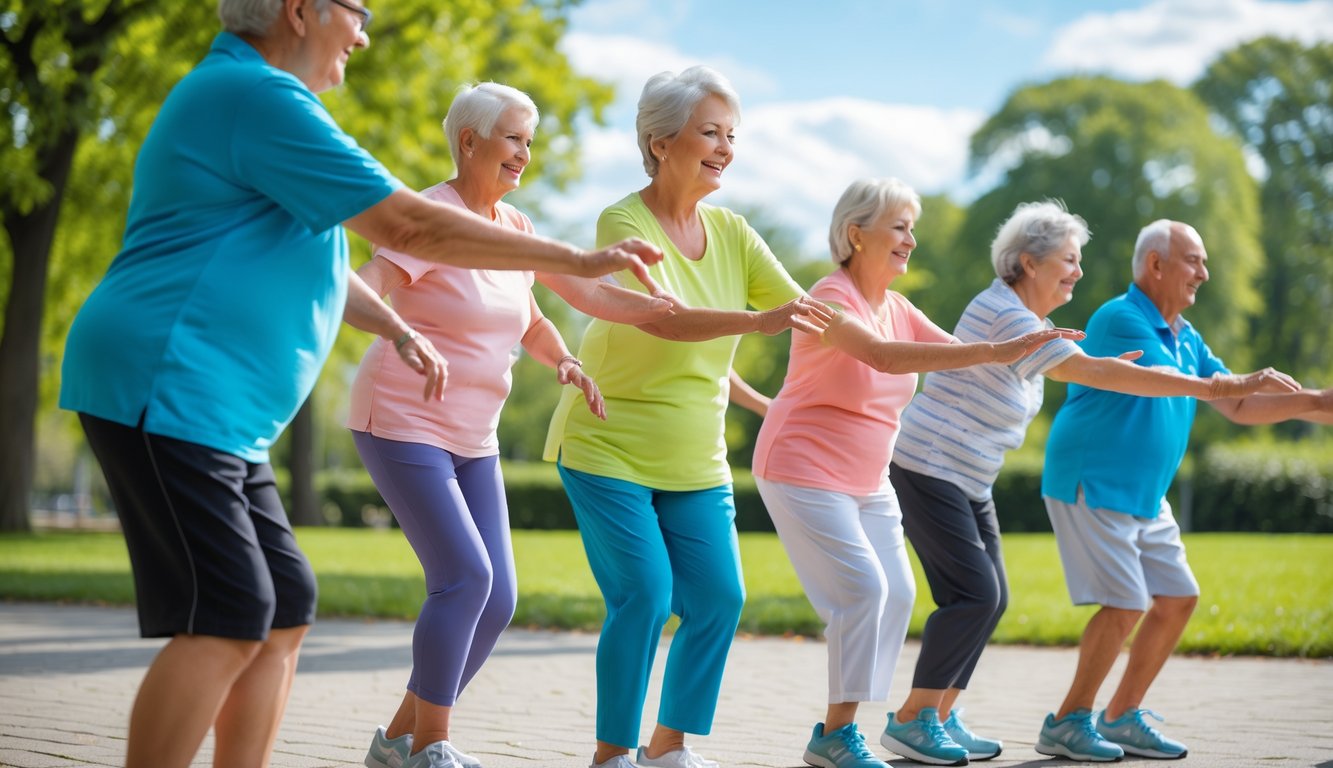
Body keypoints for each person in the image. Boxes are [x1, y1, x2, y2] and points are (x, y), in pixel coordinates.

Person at [56, 3, 661, 767]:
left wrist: (400, 328)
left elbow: (322, 263)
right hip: (165, 386)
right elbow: (404, 228)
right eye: (357, 10)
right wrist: (573, 258)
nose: (365, 32)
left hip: (217, 410)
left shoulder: (266, 103)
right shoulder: (258, 98)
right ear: (301, 10)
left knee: (282, 613)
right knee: (231, 614)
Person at [879, 203, 1303, 766]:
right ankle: (913, 718)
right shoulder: (1007, 315)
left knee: (993, 598)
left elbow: (1090, 364)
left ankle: (940, 712)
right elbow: (1089, 371)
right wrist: (1212, 389)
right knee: (974, 595)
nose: (1078, 271)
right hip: (927, 466)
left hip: (966, 478)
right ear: (1028, 263)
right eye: (1069, 260)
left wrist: (1112, 366)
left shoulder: (1031, 322)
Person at [352, 82, 674, 768]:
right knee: (464, 578)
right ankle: (432, 746)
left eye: (530, 141)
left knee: (497, 597)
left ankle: (397, 742)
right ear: (469, 141)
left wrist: (563, 360)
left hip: (474, 437)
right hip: (402, 422)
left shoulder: (516, 227)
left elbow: (527, 317)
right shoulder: (431, 218)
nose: (525, 154)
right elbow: (364, 289)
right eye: (513, 138)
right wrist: (404, 335)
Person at [542, 65, 835, 768]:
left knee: (717, 599)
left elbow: (812, 317)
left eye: (732, 135)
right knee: (643, 595)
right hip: (606, 442)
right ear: (659, 139)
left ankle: (666, 750)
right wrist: (759, 319)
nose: (725, 147)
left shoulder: (732, 233)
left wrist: (921, 350)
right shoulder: (623, 221)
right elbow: (665, 319)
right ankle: (611, 755)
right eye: (710, 131)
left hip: (695, 457)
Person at [751, 181, 1079, 768]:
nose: (912, 239)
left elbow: (956, 351)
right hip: (802, 467)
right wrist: (996, 351)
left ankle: (903, 723)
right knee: (864, 591)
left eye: (911, 227)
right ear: (857, 233)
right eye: (899, 227)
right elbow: (885, 356)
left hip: (869, 477)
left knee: (898, 592)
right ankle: (835, 733)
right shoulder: (830, 297)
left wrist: (1026, 354)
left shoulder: (896, 306)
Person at [1035, 219, 1330, 761]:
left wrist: (1314, 401)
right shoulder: (1121, 319)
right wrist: (1233, 385)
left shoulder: (1185, 336)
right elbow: (1178, 384)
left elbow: (1237, 404)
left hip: (1146, 493)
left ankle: (1121, 716)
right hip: (1093, 482)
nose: (1205, 273)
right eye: (1194, 260)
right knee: (1125, 602)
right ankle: (1068, 721)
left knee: (1176, 598)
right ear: (1156, 265)